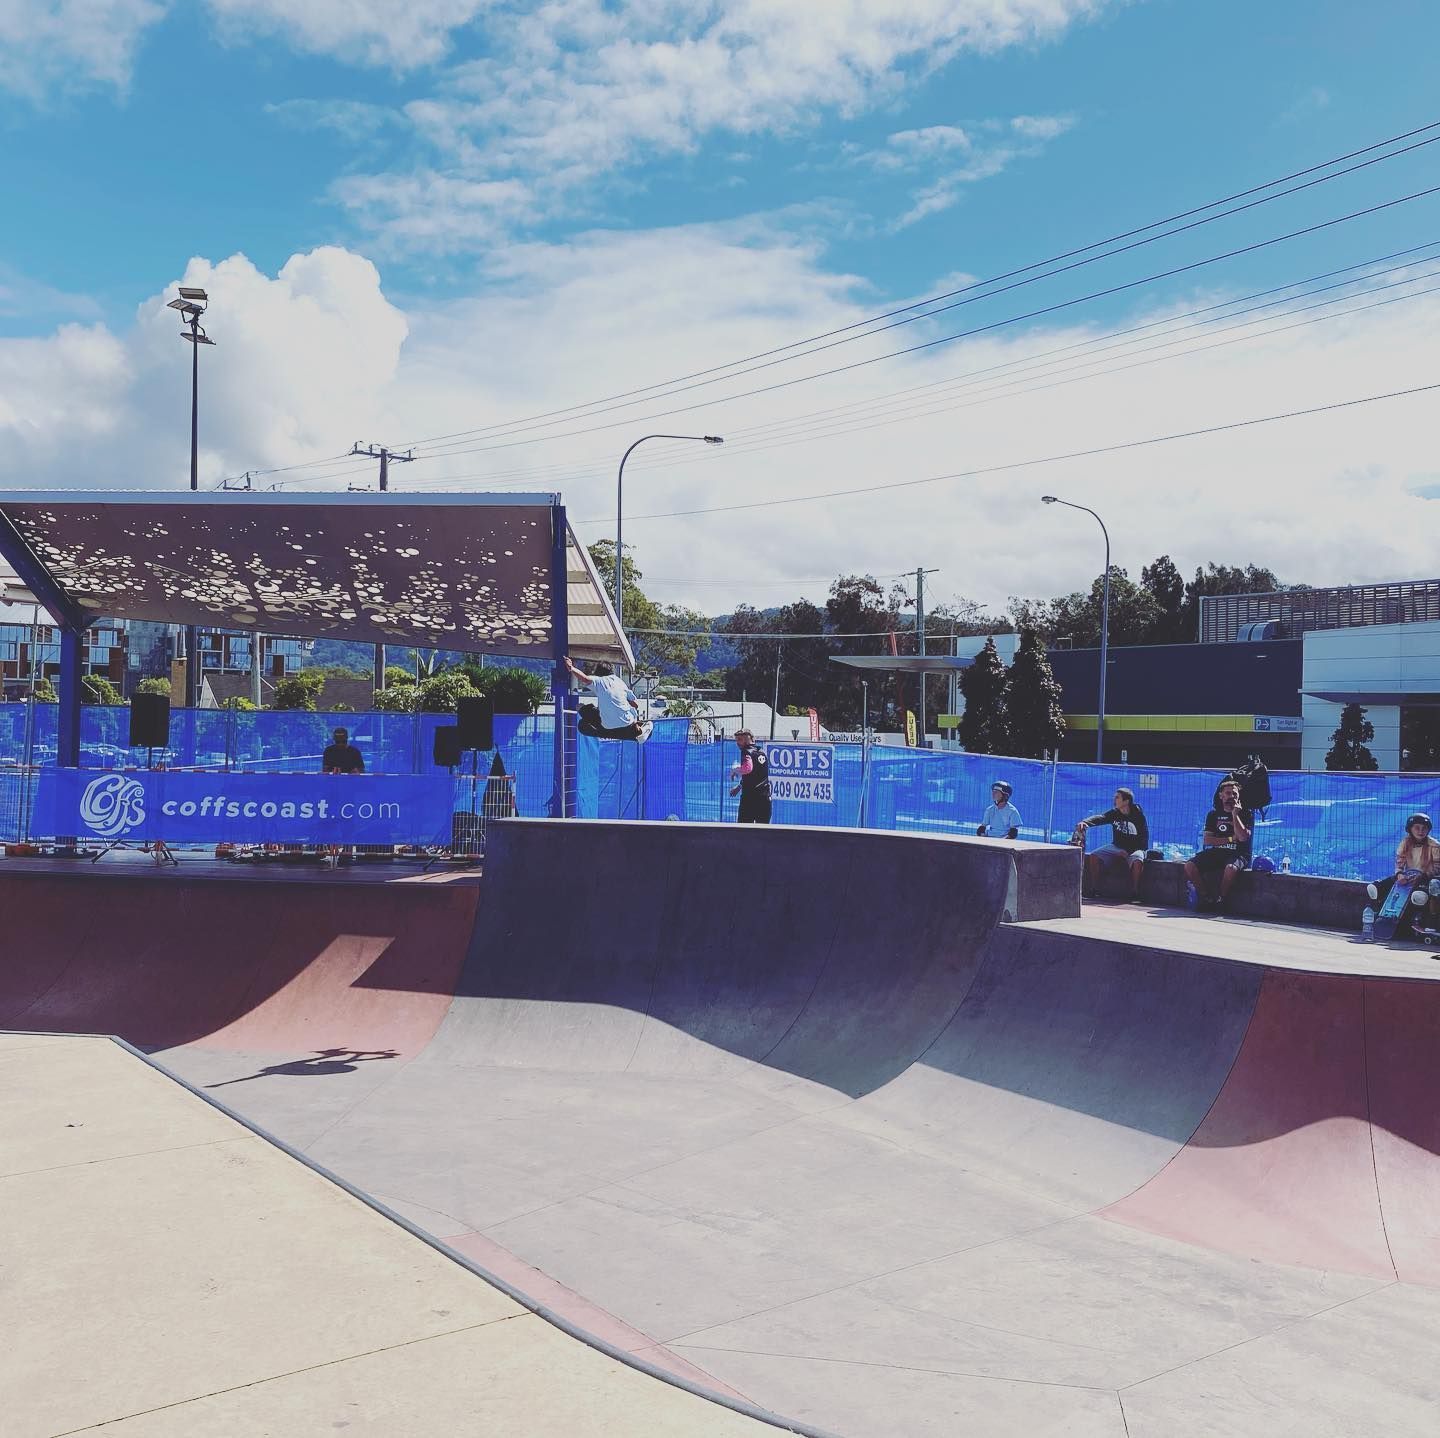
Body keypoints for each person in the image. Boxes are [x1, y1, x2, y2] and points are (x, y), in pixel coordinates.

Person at [1367, 813, 1440, 937]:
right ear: (1410, 829)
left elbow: (1438, 867)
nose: (1421, 831)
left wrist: (1423, 875)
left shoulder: (1434, 845)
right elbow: (1400, 862)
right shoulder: (1405, 843)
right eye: (1417, 827)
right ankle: (1376, 911)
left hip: (1426, 878)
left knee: (1419, 896)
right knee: (1375, 887)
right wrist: (1400, 874)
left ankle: (1425, 921)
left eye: (1424, 828)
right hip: (1408, 876)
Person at [1183, 779, 1252, 911]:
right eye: (1228, 793)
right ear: (1221, 795)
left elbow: (1242, 838)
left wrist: (1235, 815)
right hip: (1217, 853)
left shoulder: (1245, 813)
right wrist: (1232, 838)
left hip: (1238, 854)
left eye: (1234, 794)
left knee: (1231, 868)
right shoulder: (1213, 815)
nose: (1231, 796)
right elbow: (1208, 840)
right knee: (1189, 866)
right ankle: (1206, 898)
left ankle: (1221, 899)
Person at [1075, 787, 1152, 901]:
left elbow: (1144, 838)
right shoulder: (1115, 813)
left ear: (1126, 801)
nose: (1114, 799)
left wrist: (1128, 851)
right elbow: (1101, 818)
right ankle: (1095, 889)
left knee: (1137, 860)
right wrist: (1085, 822)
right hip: (1117, 846)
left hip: (1135, 849)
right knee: (1094, 855)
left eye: (1117, 797)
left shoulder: (1138, 816)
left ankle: (1135, 892)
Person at [565, 656, 652, 742]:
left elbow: (585, 679)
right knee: (629, 726)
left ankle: (604, 733)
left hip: (606, 726)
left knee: (580, 714)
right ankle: (638, 731)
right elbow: (635, 704)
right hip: (627, 723)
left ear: (598, 673)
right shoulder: (621, 682)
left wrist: (571, 668)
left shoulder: (599, 680)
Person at [729, 729, 771, 824]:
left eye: (740, 739)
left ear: (748, 739)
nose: (737, 743)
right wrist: (739, 787)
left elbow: (748, 768)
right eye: (737, 740)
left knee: (744, 833)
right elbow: (754, 775)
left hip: (750, 799)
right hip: (765, 799)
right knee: (763, 832)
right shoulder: (761, 752)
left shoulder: (746, 751)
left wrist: (735, 770)